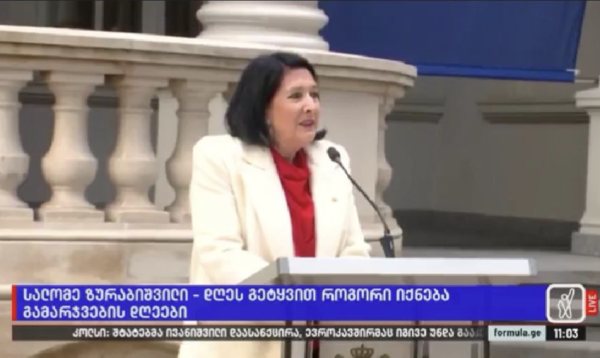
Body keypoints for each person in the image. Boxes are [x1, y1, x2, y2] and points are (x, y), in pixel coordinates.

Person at [178, 52, 371, 358]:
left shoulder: (333, 158)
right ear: (263, 107)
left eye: (314, 95)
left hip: (320, 342)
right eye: (296, 96)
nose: (311, 105)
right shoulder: (218, 157)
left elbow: (353, 250)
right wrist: (299, 303)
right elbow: (221, 254)